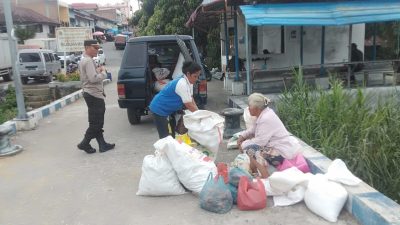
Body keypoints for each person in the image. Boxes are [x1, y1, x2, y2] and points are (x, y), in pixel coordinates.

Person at [237, 93, 300, 178]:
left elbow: (260, 142)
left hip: (280, 153)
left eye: (250, 106)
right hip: (275, 148)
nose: (248, 109)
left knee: (250, 149)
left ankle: (265, 177)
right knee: (250, 147)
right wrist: (242, 136)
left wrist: (243, 144)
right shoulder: (264, 114)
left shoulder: (266, 118)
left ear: (257, 108)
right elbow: (253, 129)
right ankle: (254, 171)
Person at [77, 39, 115, 154]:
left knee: (95, 121)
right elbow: (93, 78)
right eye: (95, 48)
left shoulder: (85, 60)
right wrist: (103, 72)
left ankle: (102, 144)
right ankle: (84, 143)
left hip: (90, 93)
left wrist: (97, 70)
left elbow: (89, 75)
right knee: (96, 123)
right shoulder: (88, 61)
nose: (97, 50)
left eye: (98, 48)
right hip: (93, 94)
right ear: (88, 47)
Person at [149, 61, 201, 139]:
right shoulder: (182, 83)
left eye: (198, 76)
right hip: (159, 109)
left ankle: (171, 149)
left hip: (169, 110)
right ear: (188, 74)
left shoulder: (189, 82)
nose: (197, 79)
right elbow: (189, 105)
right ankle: (165, 150)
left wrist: (199, 112)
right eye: (195, 76)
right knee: (165, 138)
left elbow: (191, 99)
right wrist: (201, 116)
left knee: (173, 135)